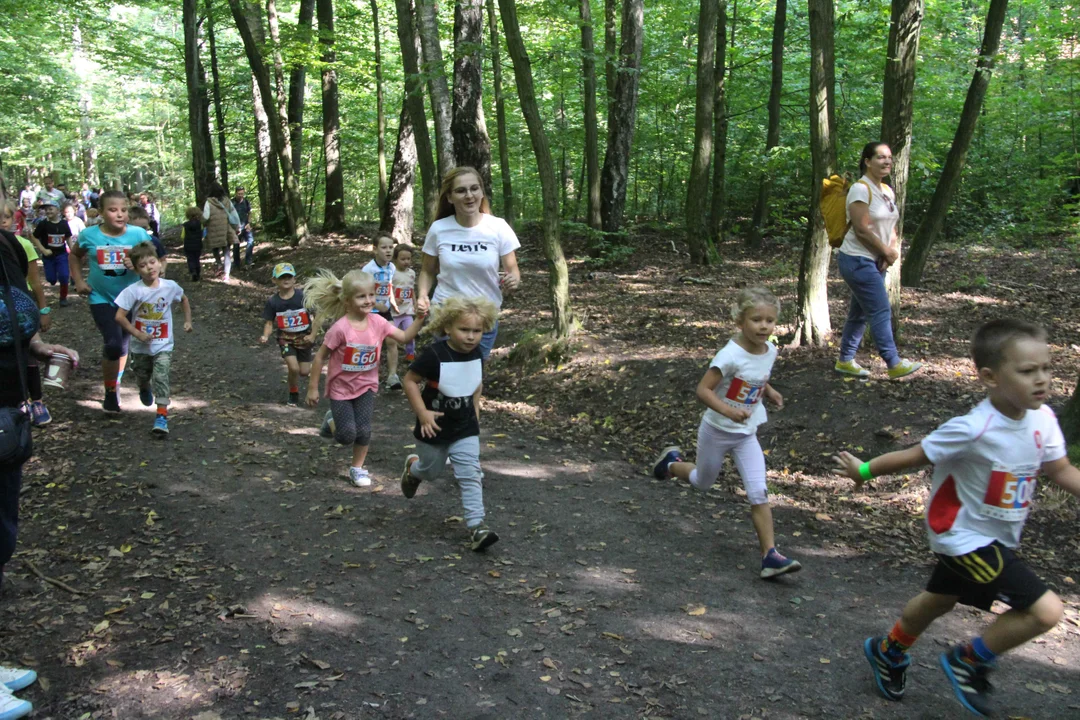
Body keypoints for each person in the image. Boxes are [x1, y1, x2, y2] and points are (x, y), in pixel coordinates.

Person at [834, 318, 1079, 718]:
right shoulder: (974, 428)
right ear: (989, 377)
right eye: (1027, 371)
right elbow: (917, 454)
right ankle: (969, 658)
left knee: (939, 601)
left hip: (996, 535)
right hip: (961, 534)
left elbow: (1062, 470)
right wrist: (864, 471)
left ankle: (888, 650)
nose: (1042, 379)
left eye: (1047, 368)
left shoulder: (1043, 420)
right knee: (1046, 611)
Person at [652, 287, 802, 579]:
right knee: (702, 481)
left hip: (746, 433)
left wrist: (770, 391)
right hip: (717, 430)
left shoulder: (770, 349)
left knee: (758, 491)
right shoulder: (729, 354)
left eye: (770, 321)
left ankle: (770, 556)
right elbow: (703, 390)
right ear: (740, 322)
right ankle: (669, 463)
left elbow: (757, 376)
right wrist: (729, 411)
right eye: (756, 320)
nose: (764, 326)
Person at [0, 224, 79, 720]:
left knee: (1, 539)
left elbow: (12, 319)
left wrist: (37, 350)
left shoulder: (5, 245)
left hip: (8, 417)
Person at [304, 268, 425, 487]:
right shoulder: (340, 329)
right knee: (346, 435)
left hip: (366, 386)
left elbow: (405, 336)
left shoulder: (378, 323)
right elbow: (320, 357)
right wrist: (313, 388)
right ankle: (332, 420)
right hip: (341, 389)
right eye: (362, 296)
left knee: (364, 429)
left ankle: (357, 468)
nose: (369, 300)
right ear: (347, 301)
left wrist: (419, 318)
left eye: (371, 295)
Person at [400, 296, 500, 551]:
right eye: (464, 330)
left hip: (465, 427)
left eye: (477, 331)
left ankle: (477, 527)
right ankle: (413, 470)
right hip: (432, 427)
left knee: (470, 474)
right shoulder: (434, 354)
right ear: (447, 328)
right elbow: (410, 381)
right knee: (431, 472)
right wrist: (422, 413)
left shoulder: (477, 353)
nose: (471, 337)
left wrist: (475, 412)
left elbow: (476, 384)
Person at [69, 189, 166, 413]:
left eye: (123, 210)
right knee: (113, 344)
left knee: (134, 346)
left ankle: (142, 383)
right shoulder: (89, 235)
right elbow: (74, 255)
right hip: (101, 297)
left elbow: (156, 262)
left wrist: (140, 266)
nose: (120, 214)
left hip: (136, 299)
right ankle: (111, 391)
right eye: (113, 210)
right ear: (101, 212)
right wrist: (79, 281)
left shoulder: (138, 235)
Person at [834, 142, 922, 381]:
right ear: (867, 161)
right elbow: (862, 230)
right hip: (856, 260)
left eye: (889, 158)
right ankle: (893, 362)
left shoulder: (886, 190)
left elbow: (891, 225)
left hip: (876, 260)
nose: (886, 162)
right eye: (880, 157)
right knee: (880, 309)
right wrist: (886, 252)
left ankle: (845, 360)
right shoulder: (860, 190)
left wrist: (889, 252)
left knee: (859, 313)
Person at [416, 166, 521, 360]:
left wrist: (513, 280)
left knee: (473, 374)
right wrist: (422, 295)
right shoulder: (439, 229)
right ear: (449, 197)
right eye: (461, 190)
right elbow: (427, 271)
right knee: (446, 375)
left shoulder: (498, 227)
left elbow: (512, 268)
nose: (469, 195)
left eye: (474, 188)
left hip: (484, 316)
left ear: (482, 192)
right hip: (446, 314)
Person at [113, 242, 192, 436]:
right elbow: (119, 316)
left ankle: (162, 416)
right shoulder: (134, 291)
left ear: (159, 262)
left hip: (163, 344)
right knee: (142, 373)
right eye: (143, 265)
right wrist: (137, 333)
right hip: (140, 346)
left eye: (152, 262)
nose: (149, 267)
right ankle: (143, 386)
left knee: (161, 376)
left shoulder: (170, 286)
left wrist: (188, 321)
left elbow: (184, 299)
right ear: (137, 270)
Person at [0, 202, 52, 427]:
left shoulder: (9, 244)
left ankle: (32, 402)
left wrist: (35, 340)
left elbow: (18, 294)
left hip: (10, 380)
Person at [260, 263, 316, 406]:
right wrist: (265, 335)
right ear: (275, 280)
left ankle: (296, 385)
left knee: (304, 371)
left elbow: (316, 315)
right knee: (294, 368)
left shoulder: (302, 296)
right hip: (285, 338)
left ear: (294, 279)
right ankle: (293, 392)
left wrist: (313, 333)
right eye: (282, 277)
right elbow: (268, 323)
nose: (286, 280)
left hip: (304, 337)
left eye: (289, 276)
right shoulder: (273, 302)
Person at [361, 235, 398, 388]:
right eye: (384, 247)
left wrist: (393, 302)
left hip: (386, 310)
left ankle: (392, 376)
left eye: (391, 247)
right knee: (371, 344)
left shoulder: (392, 267)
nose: (388, 251)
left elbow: (389, 287)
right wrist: (375, 303)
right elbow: (362, 291)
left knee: (392, 340)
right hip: (370, 310)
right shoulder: (368, 269)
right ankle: (367, 377)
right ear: (375, 249)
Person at [32, 201, 72, 307]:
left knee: (64, 276)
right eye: (46, 210)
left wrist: (72, 251)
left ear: (58, 210)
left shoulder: (64, 223)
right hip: (48, 256)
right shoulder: (43, 224)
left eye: (51, 209)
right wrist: (43, 250)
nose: (48, 211)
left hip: (62, 254)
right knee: (51, 279)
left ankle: (63, 298)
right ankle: (52, 279)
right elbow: (34, 237)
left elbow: (68, 237)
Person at [202, 183, 240, 282]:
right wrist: (237, 226)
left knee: (215, 248)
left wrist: (203, 223)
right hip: (226, 230)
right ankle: (226, 274)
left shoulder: (208, 202)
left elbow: (205, 217)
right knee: (226, 251)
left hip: (213, 230)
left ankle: (219, 265)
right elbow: (234, 214)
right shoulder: (227, 201)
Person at [391, 244, 417, 364]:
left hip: (407, 310)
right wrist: (393, 300)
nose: (406, 261)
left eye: (408, 259)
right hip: (394, 312)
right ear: (395, 259)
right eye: (403, 259)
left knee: (410, 333)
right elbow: (387, 289)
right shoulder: (392, 273)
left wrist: (415, 303)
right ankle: (389, 353)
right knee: (391, 337)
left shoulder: (411, 273)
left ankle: (410, 354)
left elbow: (411, 290)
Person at [232, 186, 254, 268]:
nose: (240, 195)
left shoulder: (246, 202)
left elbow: (249, 212)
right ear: (236, 193)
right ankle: (236, 263)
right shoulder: (232, 203)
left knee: (251, 241)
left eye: (242, 193)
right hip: (236, 227)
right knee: (236, 245)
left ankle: (248, 261)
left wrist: (249, 223)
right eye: (239, 194)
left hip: (245, 226)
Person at [182, 207, 204, 281]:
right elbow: (203, 234)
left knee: (190, 259)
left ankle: (192, 271)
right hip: (198, 244)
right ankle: (198, 272)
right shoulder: (200, 224)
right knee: (197, 259)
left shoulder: (185, 225)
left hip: (188, 245)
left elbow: (182, 236)